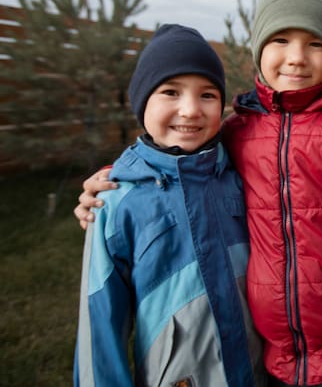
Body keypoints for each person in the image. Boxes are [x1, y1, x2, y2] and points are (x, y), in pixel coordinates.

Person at [75, 0, 322, 387]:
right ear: (259, 48)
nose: (296, 56)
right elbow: (179, 158)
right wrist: (119, 175)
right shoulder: (240, 133)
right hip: (275, 358)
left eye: (315, 43)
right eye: (280, 40)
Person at [74, 24, 264, 387]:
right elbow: (99, 327)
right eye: (171, 92)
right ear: (142, 102)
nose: (191, 110)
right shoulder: (114, 201)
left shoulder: (239, 175)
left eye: (207, 95)